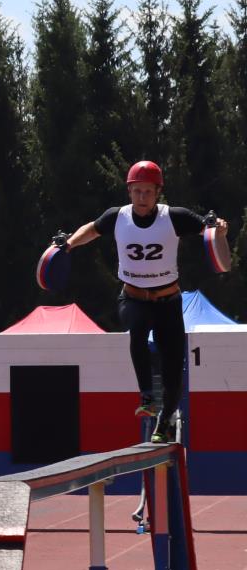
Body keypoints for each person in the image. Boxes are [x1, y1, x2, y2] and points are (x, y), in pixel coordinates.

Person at [59, 161, 228, 443]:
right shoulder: (117, 216)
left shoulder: (174, 216)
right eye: (137, 192)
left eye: (148, 192)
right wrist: (67, 245)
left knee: (174, 367)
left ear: (157, 192)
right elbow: (91, 229)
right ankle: (147, 396)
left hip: (168, 300)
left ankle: (164, 422)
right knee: (137, 329)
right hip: (134, 297)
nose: (141, 198)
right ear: (129, 192)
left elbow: (208, 231)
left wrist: (219, 230)